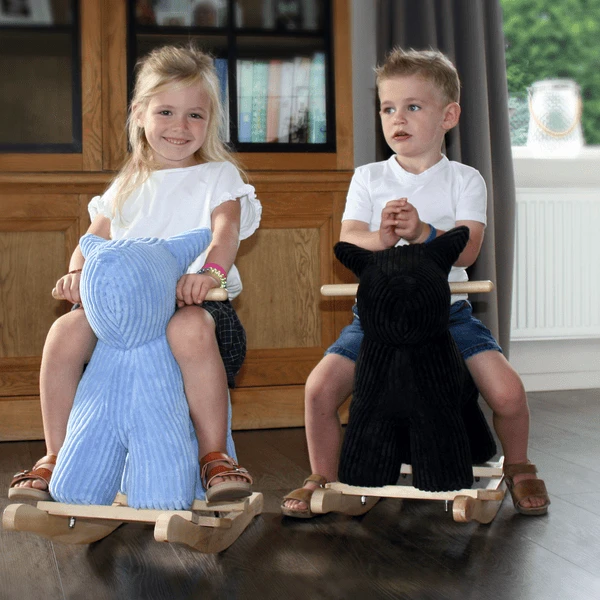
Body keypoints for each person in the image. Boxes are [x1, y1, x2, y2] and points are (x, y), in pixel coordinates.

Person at [282, 47, 550, 518]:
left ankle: (519, 464)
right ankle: (322, 475)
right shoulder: (368, 177)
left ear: (449, 116)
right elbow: (348, 242)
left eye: (412, 106)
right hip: (376, 320)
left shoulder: (465, 179)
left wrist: (424, 232)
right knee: (318, 389)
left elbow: (467, 251)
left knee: (508, 392)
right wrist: (382, 238)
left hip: (447, 315)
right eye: (388, 108)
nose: (397, 118)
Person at [9, 44, 262, 504]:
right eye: (166, 112)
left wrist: (209, 274)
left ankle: (214, 455)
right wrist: (78, 276)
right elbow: (90, 242)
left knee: (187, 328)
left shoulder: (218, 176)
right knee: (64, 332)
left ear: (210, 121)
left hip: (196, 309)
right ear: (140, 114)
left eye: (195, 115)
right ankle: (56, 455)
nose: (180, 127)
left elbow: (225, 233)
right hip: (123, 327)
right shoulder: (126, 185)